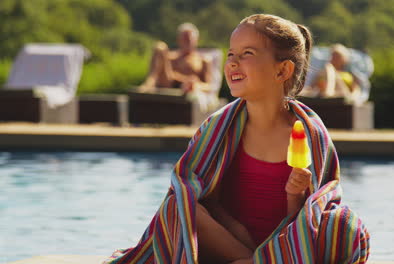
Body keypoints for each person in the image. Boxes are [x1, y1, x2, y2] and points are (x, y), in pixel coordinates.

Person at [104, 14, 369, 264]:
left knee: (343, 226)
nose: (232, 62)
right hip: (230, 243)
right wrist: (238, 234)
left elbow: (307, 216)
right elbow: (207, 198)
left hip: (288, 242)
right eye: (231, 54)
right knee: (178, 206)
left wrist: (294, 194)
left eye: (247, 54)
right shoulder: (218, 127)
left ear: (282, 71)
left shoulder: (309, 132)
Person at [138, 23, 213, 95]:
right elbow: (167, 75)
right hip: (168, 86)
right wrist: (184, 79)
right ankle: (149, 83)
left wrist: (196, 85)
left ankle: (149, 85)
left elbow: (209, 86)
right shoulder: (170, 57)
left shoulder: (203, 60)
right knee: (160, 47)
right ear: (179, 40)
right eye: (184, 39)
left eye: (189, 39)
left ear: (197, 40)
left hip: (188, 91)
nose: (187, 42)